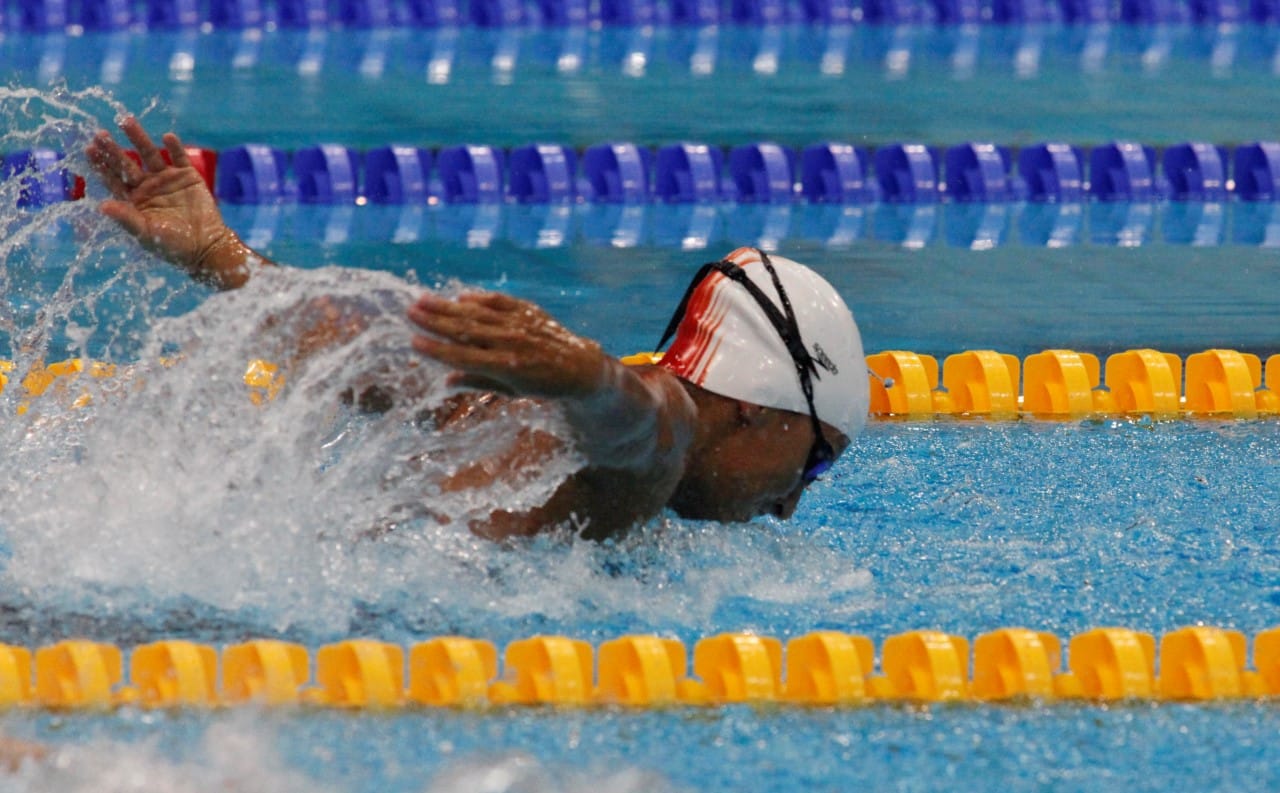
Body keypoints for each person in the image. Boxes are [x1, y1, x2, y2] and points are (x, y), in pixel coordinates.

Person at [85, 117, 869, 541]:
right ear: (756, 405)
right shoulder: (660, 438)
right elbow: (643, 427)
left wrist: (219, 254)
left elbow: (353, 343)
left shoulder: (502, 397)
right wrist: (586, 375)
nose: (791, 505)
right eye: (816, 463)